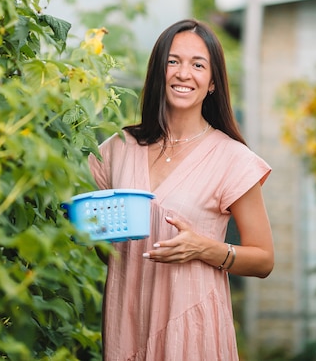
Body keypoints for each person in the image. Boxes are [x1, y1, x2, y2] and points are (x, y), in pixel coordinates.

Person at [88, 18, 274, 361]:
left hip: (192, 331)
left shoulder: (232, 157)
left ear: (213, 81)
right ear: (158, 72)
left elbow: (263, 260)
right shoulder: (119, 148)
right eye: (172, 61)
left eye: (197, 64)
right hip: (127, 322)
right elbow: (106, 250)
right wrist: (98, 235)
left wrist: (203, 248)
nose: (183, 73)